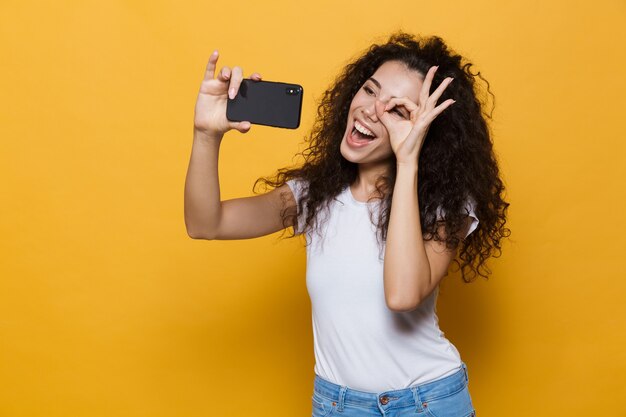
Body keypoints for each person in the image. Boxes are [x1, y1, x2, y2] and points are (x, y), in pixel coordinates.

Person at [185, 31, 510, 417]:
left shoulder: (444, 205)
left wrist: (408, 162)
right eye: (370, 91)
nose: (371, 110)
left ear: (425, 130)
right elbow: (207, 223)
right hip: (337, 406)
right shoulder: (313, 196)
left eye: (399, 111)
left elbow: (403, 296)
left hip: (426, 404)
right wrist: (205, 134)